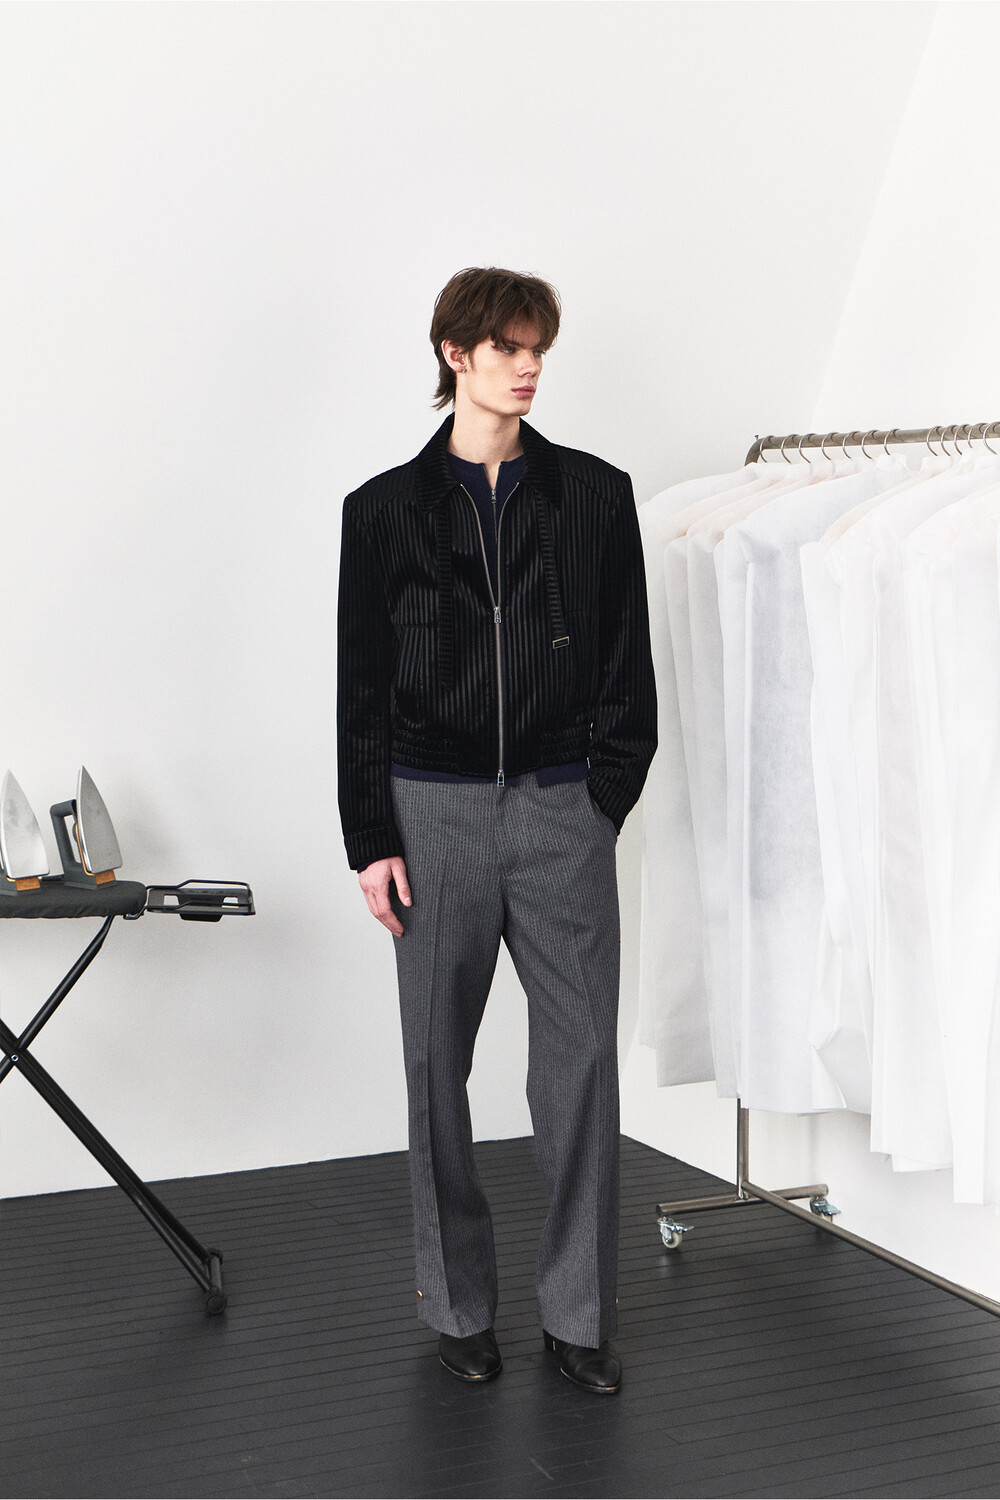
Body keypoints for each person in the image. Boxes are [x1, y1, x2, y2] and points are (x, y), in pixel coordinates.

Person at [337, 266, 656, 1394]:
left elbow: (628, 664)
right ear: (455, 354)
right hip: (432, 816)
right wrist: (371, 837)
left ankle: (579, 1316)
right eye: (507, 348)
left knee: (583, 1065)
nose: (527, 367)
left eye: (537, 350)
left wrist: (602, 797)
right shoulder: (382, 511)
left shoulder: (595, 496)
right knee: (436, 1066)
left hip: (563, 810)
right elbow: (361, 691)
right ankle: (459, 1305)